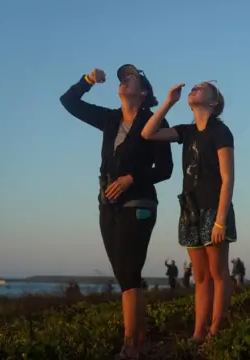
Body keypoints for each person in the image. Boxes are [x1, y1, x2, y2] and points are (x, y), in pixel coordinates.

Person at [59, 65, 173, 359]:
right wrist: (87, 81)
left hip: (139, 204)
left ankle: (131, 346)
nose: (123, 81)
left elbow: (165, 169)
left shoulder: (154, 120)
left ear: (143, 92)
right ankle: (138, 340)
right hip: (107, 205)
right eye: (122, 78)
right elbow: (68, 102)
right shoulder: (110, 119)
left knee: (128, 272)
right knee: (126, 277)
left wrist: (131, 178)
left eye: (130, 78)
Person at [141, 80, 236, 342]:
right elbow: (148, 133)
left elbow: (228, 178)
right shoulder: (187, 131)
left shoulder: (220, 131)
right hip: (190, 210)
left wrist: (220, 221)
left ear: (213, 102)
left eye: (201, 87)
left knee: (218, 274)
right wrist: (169, 102)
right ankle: (198, 332)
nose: (194, 89)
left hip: (213, 209)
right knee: (201, 276)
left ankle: (216, 331)